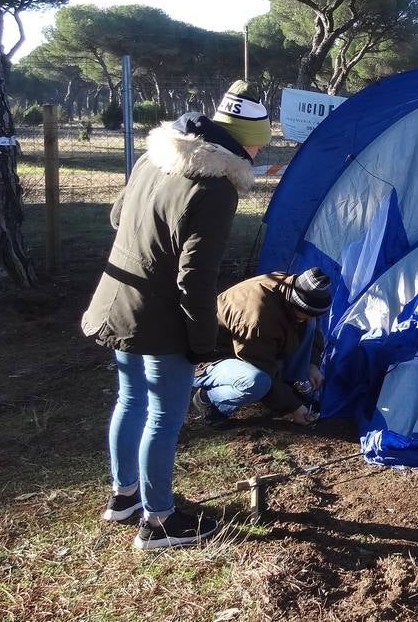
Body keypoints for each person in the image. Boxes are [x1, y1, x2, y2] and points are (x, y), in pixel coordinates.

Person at [81, 81, 270, 550]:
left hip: (119, 299)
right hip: (159, 314)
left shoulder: (156, 156)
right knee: (165, 415)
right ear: (247, 141)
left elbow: (117, 216)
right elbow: (196, 277)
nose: (260, 149)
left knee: (130, 400)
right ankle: (159, 520)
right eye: (260, 141)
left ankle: (124, 497)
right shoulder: (216, 187)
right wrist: (201, 341)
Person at [192, 268, 332, 427]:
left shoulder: (294, 289)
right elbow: (261, 366)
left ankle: (289, 386)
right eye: (307, 314)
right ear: (295, 305)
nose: (311, 318)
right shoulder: (257, 320)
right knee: (257, 381)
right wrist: (293, 407)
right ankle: (209, 400)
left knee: (309, 324)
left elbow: (311, 327)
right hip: (210, 356)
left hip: (248, 349)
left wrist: (312, 364)